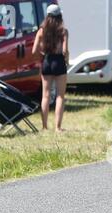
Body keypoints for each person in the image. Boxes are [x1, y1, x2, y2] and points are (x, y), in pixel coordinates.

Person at [32, 4, 69, 132]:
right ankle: (58, 127)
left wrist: (42, 56)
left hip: (47, 61)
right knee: (60, 96)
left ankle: (44, 126)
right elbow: (65, 51)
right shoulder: (63, 31)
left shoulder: (41, 31)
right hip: (59, 62)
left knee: (45, 95)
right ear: (60, 15)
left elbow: (34, 50)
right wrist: (67, 61)